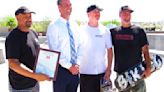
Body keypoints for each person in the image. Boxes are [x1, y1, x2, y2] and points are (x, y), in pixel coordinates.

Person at [5, 6, 50, 92]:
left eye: (30, 16)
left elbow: (37, 55)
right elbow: (13, 64)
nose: (29, 19)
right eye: (26, 16)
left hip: (34, 84)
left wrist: (47, 71)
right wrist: (35, 75)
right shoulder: (13, 37)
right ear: (17, 18)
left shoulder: (33, 33)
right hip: (20, 87)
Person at [110, 5, 152, 92]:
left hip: (138, 72)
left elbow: (145, 50)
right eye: (124, 13)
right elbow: (107, 50)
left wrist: (148, 67)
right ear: (119, 15)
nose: (127, 15)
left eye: (129, 13)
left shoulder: (139, 31)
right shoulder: (113, 32)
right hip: (121, 73)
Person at [46, 0, 82, 92]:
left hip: (75, 70)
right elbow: (54, 50)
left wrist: (77, 63)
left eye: (70, 5)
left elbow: (80, 46)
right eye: (66, 5)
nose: (69, 7)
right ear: (59, 7)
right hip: (61, 71)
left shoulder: (75, 25)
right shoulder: (53, 26)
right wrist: (69, 66)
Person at [79, 5, 113, 92]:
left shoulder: (105, 30)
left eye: (99, 12)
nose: (97, 14)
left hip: (102, 74)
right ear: (88, 14)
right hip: (85, 73)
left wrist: (108, 69)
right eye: (95, 12)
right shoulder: (81, 30)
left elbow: (110, 51)